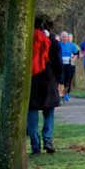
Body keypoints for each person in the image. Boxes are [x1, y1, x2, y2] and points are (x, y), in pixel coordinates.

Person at [27, 16, 63, 154]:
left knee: (32, 113)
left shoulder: (27, 40)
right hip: (49, 79)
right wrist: (60, 80)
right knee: (49, 112)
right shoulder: (53, 42)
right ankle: (48, 140)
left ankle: (35, 144)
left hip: (31, 79)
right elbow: (58, 63)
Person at [57, 31, 78, 101]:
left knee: (67, 81)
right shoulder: (58, 44)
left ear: (68, 37)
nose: (64, 38)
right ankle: (61, 95)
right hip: (60, 65)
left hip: (69, 65)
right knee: (61, 80)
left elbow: (76, 54)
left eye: (65, 37)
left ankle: (65, 93)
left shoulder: (72, 45)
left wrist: (73, 58)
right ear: (61, 37)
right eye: (63, 37)